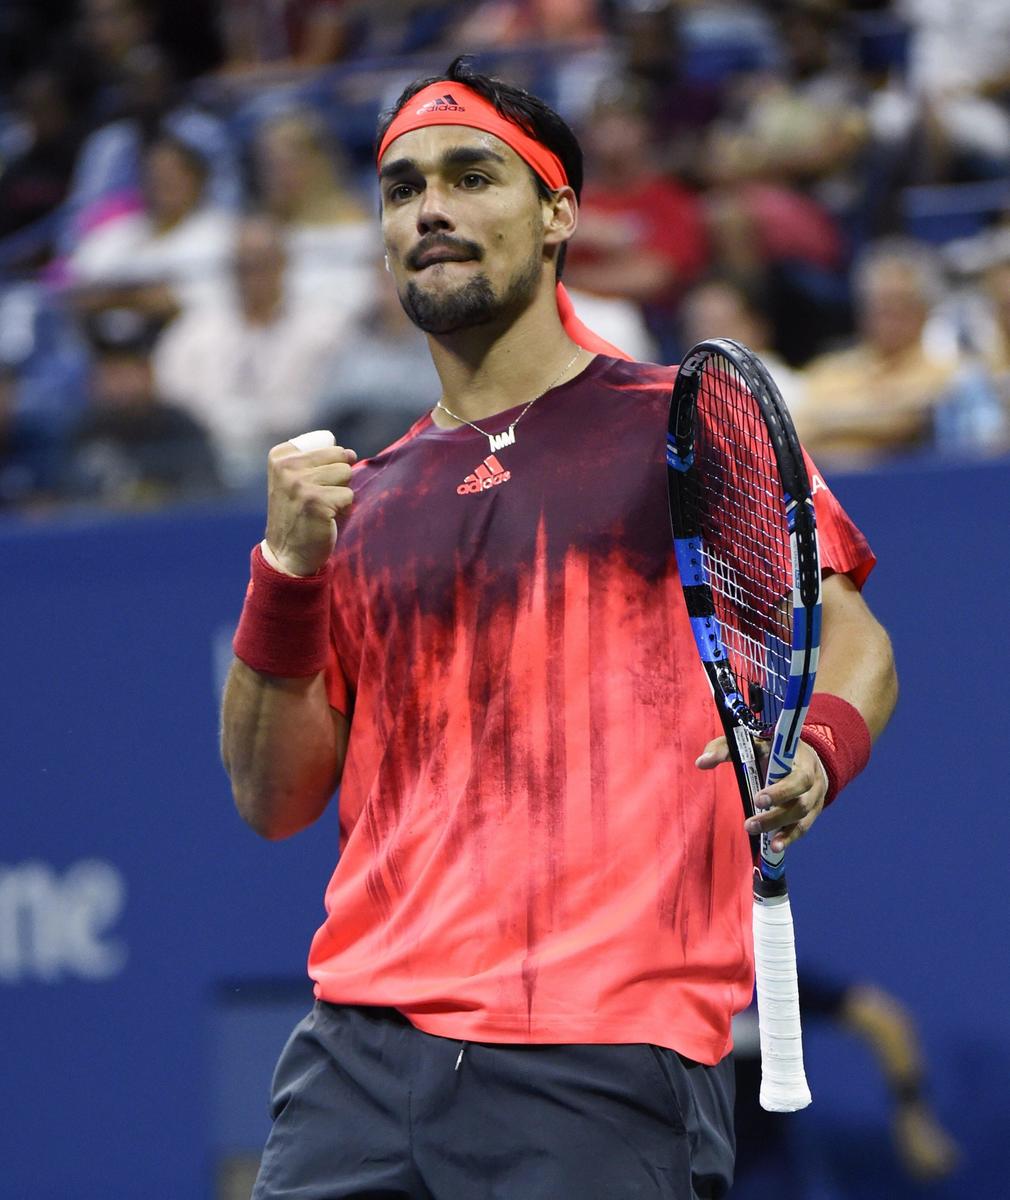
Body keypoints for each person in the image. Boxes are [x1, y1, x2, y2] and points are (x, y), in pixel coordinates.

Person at [221, 57, 898, 1200]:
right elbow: (271, 798)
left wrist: (817, 751)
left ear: (556, 215)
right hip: (355, 1061)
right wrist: (286, 570)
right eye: (400, 189)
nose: (428, 209)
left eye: (469, 176)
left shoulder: (683, 423)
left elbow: (850, 639)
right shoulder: (361, 498)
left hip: (601, 1057)